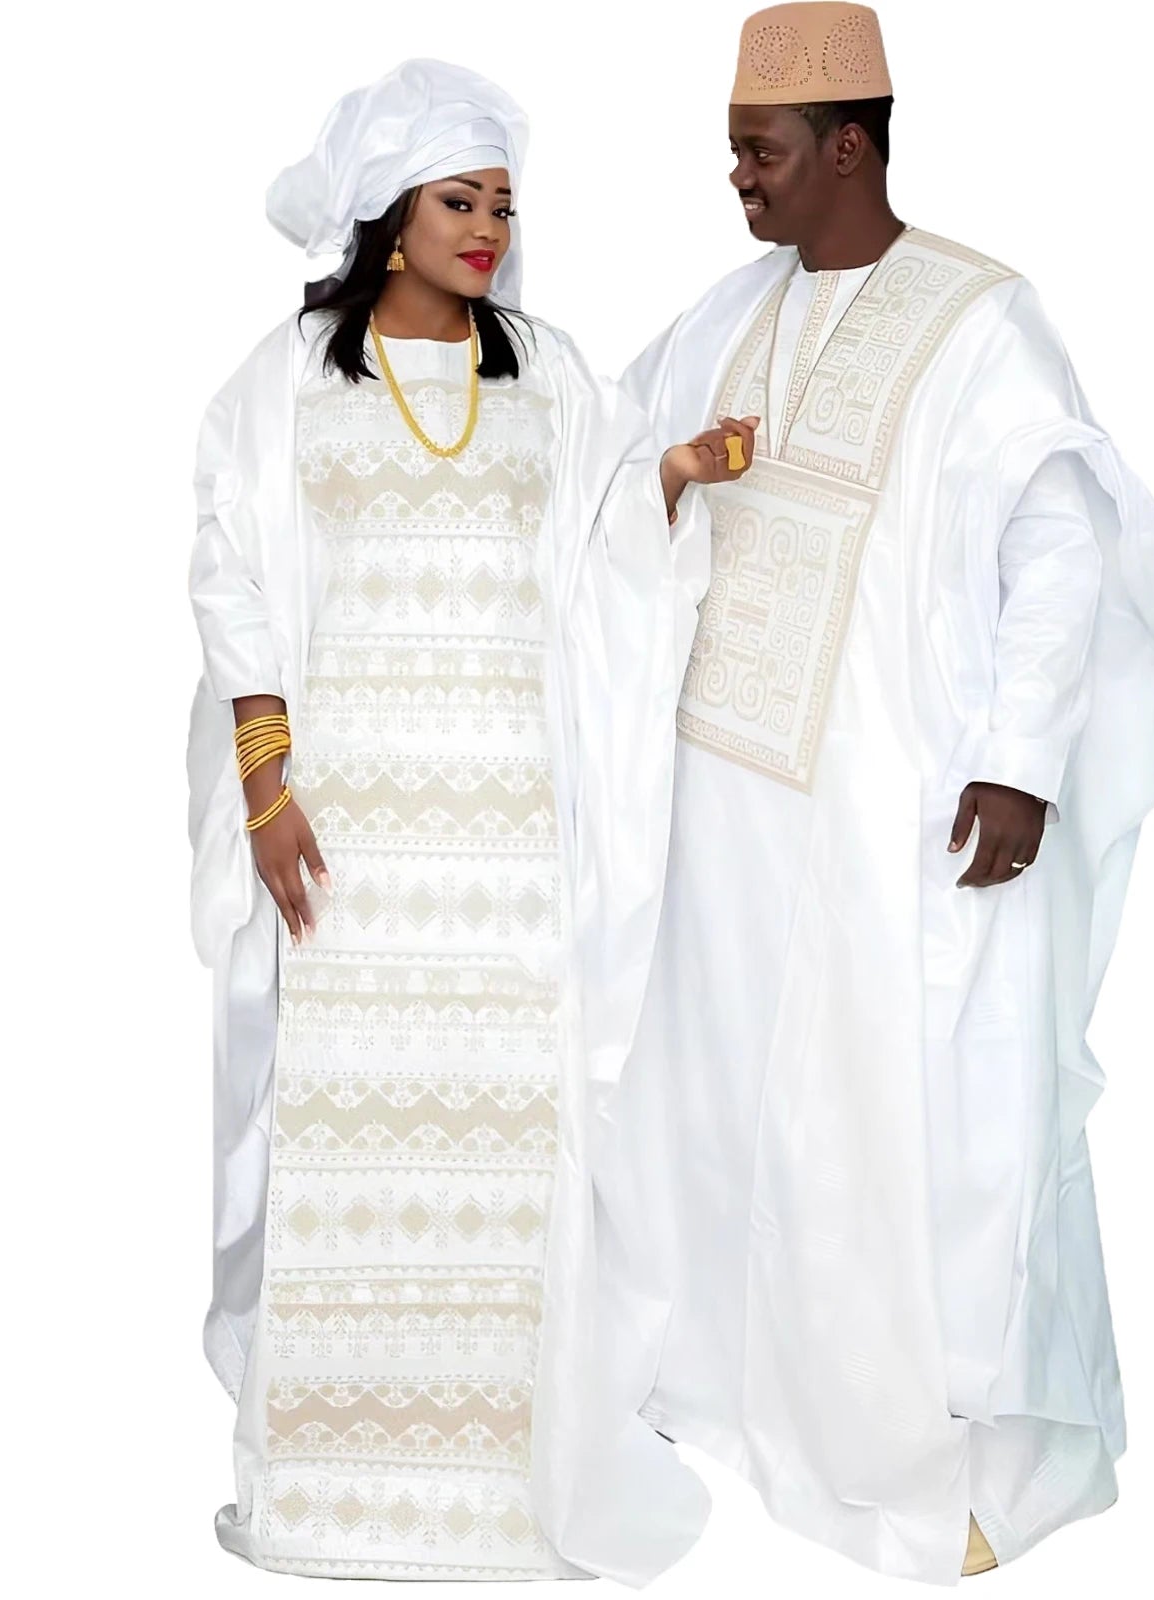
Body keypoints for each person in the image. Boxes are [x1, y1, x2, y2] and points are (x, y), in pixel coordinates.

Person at [607, 2, 1154, 1584]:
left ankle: (914, 1436)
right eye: (735, 149)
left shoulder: (983, 319)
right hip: (719, 800)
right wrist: (667, 479)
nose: (739, 178)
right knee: (710, 1086)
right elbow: (605, 469)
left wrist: (1019, 759)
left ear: (850, 145)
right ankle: (709, 1380)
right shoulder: (727, 311)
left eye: (762, 151)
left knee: (891, 1106)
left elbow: (1060, 540)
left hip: (894, 803)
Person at [185, 59, 754, 1583]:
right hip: (352, 824)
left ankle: (505, 1489)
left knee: (508, 1135)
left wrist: (674, 476)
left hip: (508, 828)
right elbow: (231, 571)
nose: (490, 227)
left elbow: (608, 543)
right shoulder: (288, 380)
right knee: (349, 1130)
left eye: (503, 203)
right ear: (390, 214)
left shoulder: (548, 373)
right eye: (461, 201)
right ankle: (330, 1497)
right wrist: (265, 783)